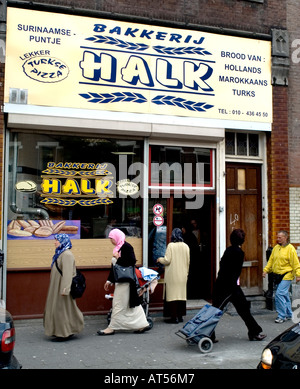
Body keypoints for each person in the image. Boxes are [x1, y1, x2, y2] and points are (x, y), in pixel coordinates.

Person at [212, 229, 266, 341]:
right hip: (230, 287)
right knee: (243, 310)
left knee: (215, 311)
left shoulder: (228, 250)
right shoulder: (239, 253)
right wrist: (233, 287)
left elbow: (222, 266)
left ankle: (207, 333)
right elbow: (235, 272)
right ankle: (254, 332)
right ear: (242, 241)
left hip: (221, 285)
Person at [97, 228, 149, 335]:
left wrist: (118, 258)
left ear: (117, 237)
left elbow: (131, 261)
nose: (111, 241)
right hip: (120, 281)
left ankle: (112, 328)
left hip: (126, 282)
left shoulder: (126, 247)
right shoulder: (118, 248)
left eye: (112, 238)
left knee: (118, 304)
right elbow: (114, 267)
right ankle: (142, 324)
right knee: (129, 304)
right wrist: (109, 280)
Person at [44, 234, 84, 340]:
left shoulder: (66, 255)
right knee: (63, 309)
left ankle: (64, 332)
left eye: (57, 240)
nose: (55, 242)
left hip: (61, 288)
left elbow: (67, 274)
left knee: (62, 310)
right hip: (56, 287)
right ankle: (62, 330)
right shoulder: (60, 254)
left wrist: (65, 289)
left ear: (62, 241)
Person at [263, 230, 300, 323]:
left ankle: (281, 316)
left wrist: (298, 275)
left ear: (285, 237)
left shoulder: (290, 249)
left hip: (287, 274)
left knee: (279, 294)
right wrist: (266, 270)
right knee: (285, 295)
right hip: (278, 275)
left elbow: (296, 263)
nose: (278, 239)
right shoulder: (276, 248)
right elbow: (271, 261)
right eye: (277, 237)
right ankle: (288, 314)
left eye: (280, 237)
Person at [157, 228, 190, 324]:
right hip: (183, 275)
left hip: (172, 276)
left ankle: (173, 317)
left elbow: (167, 260)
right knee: (181, 295)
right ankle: (180, 316)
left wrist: (159, 259)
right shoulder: (186, 246)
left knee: (172, 296)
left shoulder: (171, 246)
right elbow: (188, 262)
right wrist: (186, 274)